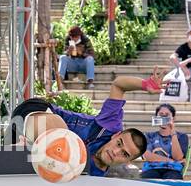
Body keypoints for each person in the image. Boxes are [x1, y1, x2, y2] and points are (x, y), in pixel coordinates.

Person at [11, 72, 156, 177]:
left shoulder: (94, 178)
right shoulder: (111, 124)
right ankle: (33, 145)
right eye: (119, 144)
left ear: (129, 161)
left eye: (124, 154)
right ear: (116, 135)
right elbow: (118, 85)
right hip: (36, 113)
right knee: (66, 146)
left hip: (25, 144)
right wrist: (145, 84)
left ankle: (27, 149)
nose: (116, 152)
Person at [140, 103, 189, 180]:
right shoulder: (149, 136)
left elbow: (178, 157)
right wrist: (170, 160)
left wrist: (173, 133)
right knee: (148, 178)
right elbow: (147, 156)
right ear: (156, 117)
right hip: (151, 169)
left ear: (173, 118)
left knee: (172, 178)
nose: (163, 117)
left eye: (167, 114)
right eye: (161, 114)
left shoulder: (182, 136)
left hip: (173, 170)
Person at [57, 25, 96, 89]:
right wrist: (68, 51)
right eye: (71, 37)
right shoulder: (68, 39)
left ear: (79, 36)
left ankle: (90, 82)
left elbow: (92, 55)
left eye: (75, 37)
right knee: (62, 57)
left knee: (90, 59)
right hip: (72, 63)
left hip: (83, 64)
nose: (73, 39)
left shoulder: (85, 40)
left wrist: (82, 53)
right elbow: (64, 53)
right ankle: (60, 82)